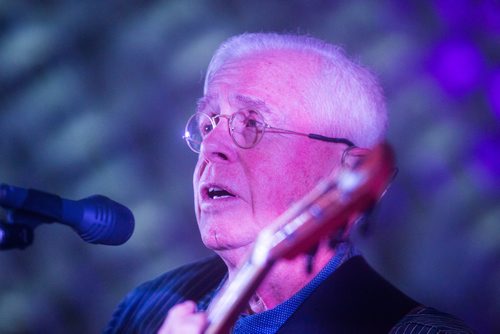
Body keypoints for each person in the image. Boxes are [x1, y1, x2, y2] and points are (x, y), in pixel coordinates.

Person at [105, 33, 473, 333]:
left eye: (253, 123)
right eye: (208, 123)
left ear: (344, 169)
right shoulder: (148, 306)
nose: (212, 147)